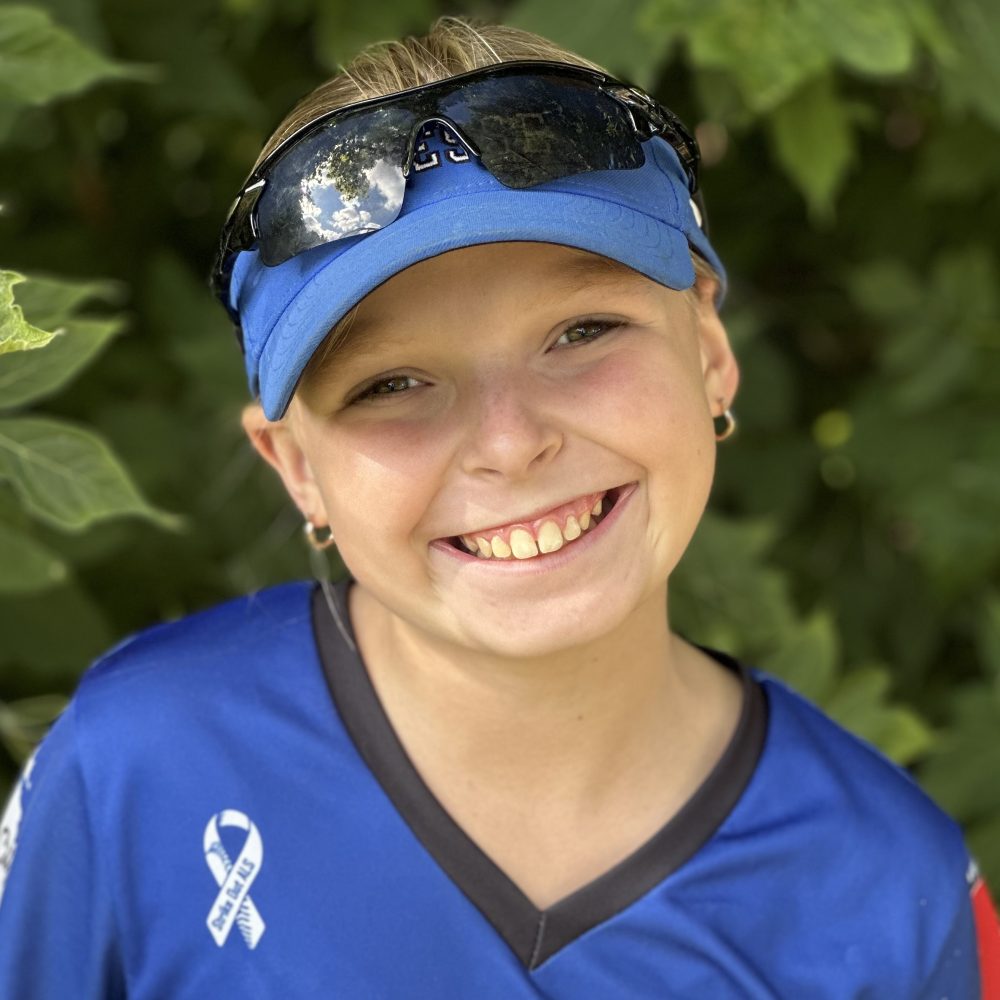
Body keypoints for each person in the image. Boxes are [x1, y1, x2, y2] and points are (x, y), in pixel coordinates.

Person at [0, 15, 997, 999]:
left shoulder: (888, 892)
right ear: (295, 466)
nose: (511, 443)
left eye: (581, 331)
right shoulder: (138, 769)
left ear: (708, 353)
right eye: (391, 385)